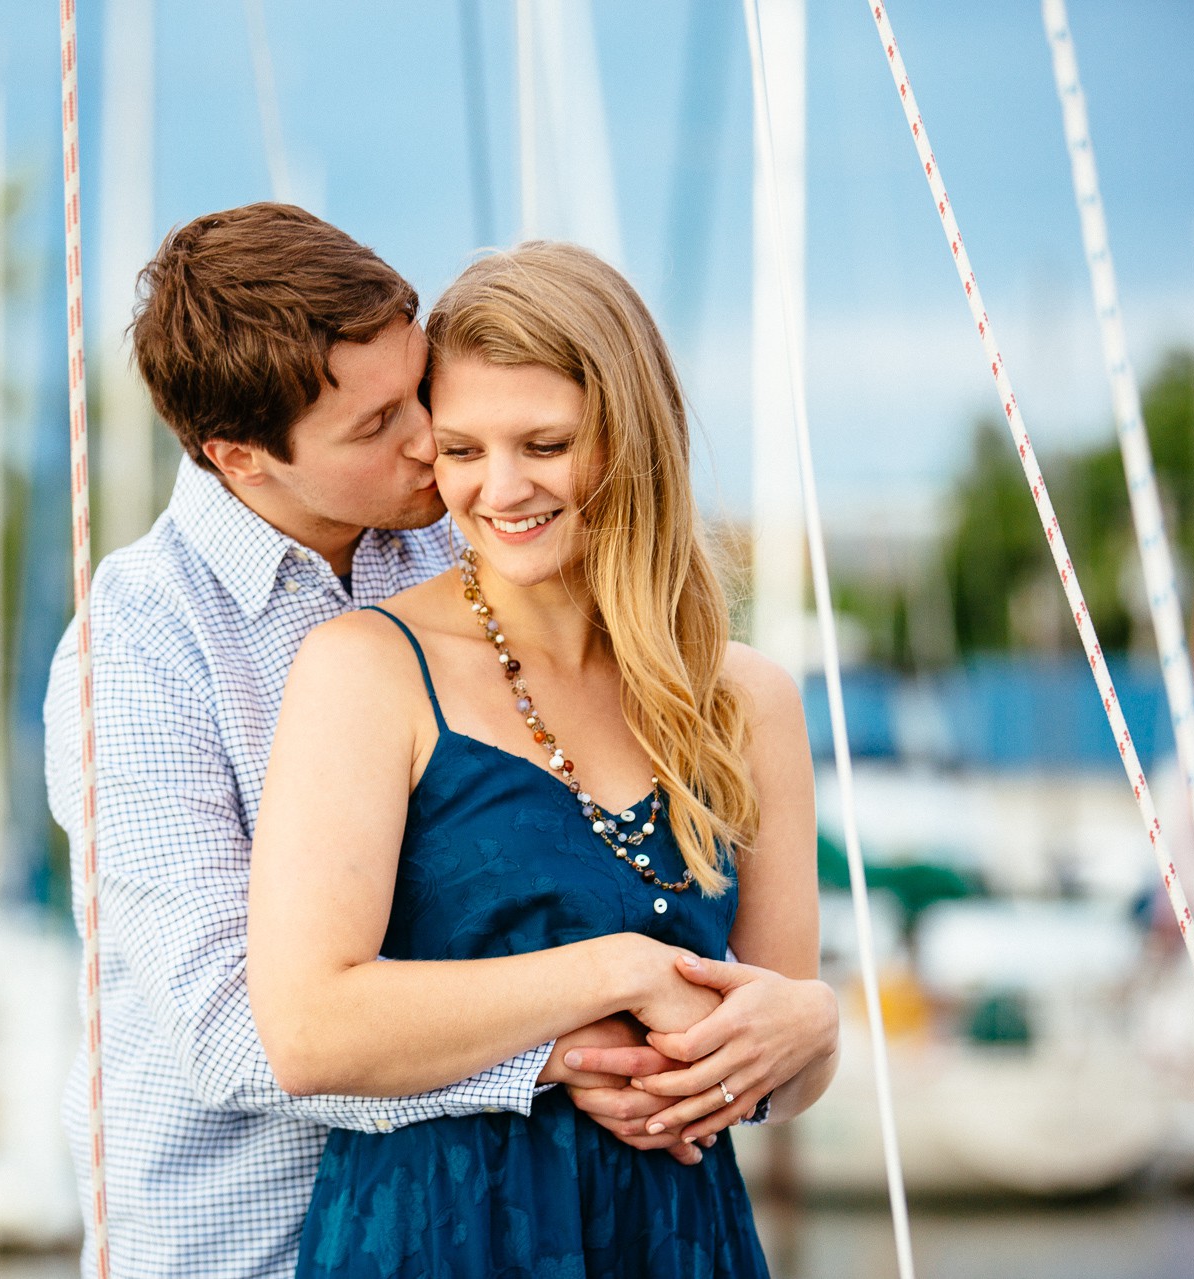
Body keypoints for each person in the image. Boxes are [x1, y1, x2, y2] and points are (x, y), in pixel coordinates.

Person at [44, 204, 808, 1279]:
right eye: (378, 427)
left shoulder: (458, 534)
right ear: (243, 459)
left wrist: (801, 1020)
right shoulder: (140, 649)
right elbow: (234, 1028)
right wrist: (561, 1049)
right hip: (241, 1241)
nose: (429, 445)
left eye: (421, 393)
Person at [246, 241, 839, 1278]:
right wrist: (613, 970)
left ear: (631, 432)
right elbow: (307, 1027)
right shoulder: (365, 669)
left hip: (680, 1240)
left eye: (546, 442)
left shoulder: (748, 701)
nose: (500, 487)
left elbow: (774, 1068)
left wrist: (815, 1029)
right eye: (463, 449)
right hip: (438, 1236)